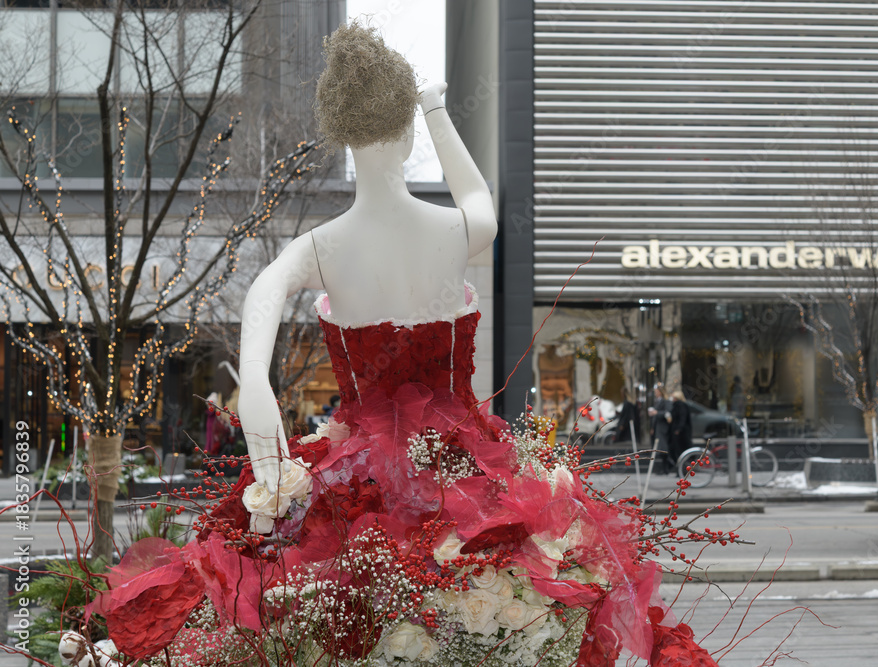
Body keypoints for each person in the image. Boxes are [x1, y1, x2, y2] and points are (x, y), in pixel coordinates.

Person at [85, 24, 718, 667]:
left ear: (344, 140)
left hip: (355, 468)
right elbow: (483, 203)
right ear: (408, 134)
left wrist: (255, 382)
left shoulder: (319, 248)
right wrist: (440, 109)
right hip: (460, 461)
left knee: (319, 616)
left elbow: (263, 295)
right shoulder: (452, 230)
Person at [648, 383, 673, 471]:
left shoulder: (666, 401)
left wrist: (657, 413)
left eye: (656, 392)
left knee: (663, 447)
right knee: (660, 447)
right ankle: (665, 466)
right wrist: (652, 428)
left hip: (663, 427)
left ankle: (667, 465)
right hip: (657, 427)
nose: (655, 393)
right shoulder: (657, 401)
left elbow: (668, 413)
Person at [670, 390, 694, 468]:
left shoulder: (680, 406)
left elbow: (682, 418)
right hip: (679, 431)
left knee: (680, 450)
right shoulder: (677, 405)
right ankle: (682, 467)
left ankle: (682, 467)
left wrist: (678, 429)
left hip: (681, 433)